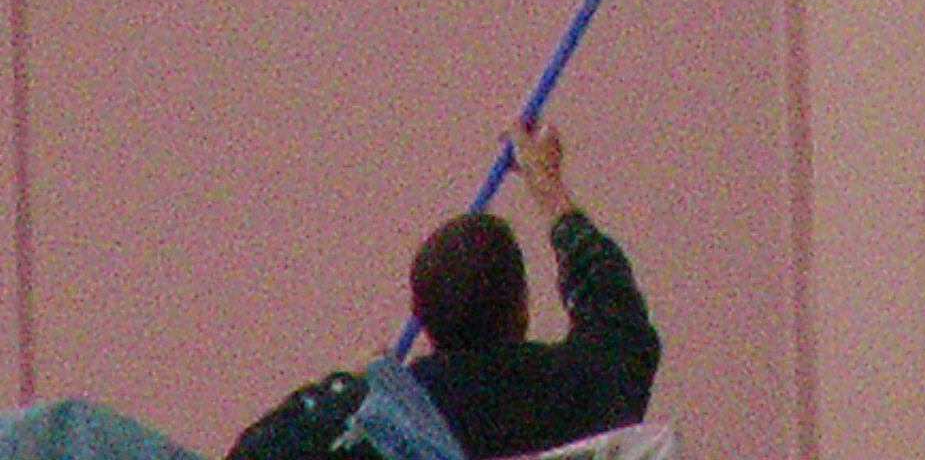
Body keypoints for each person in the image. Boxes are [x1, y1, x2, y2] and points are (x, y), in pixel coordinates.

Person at [228, 121, 662, 460]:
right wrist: (550, 192)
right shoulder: (580, 389)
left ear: (422, 316)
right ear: (522, 307)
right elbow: (619, 319)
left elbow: (254, 452)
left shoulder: (388, 417)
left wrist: (348, 384)